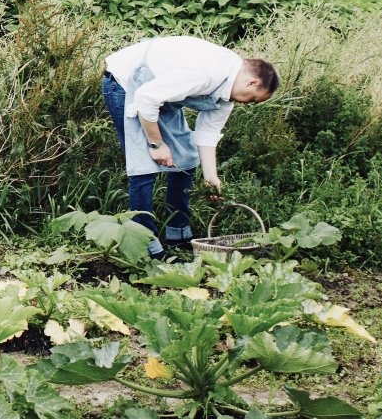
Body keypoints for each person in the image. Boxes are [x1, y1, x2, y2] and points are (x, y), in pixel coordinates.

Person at [101, 36, 278, 257]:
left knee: (185, 159)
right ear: (252, 83)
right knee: (144, 166)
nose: (248, 104)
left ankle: (178, 234)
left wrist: (211, 177)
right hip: (128, 83)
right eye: (253, 99)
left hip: (161, 93)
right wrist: (156, 144)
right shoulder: (206, 73)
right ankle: (146, 245)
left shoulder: (229, 92)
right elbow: (146, 98)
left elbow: (207, 133)